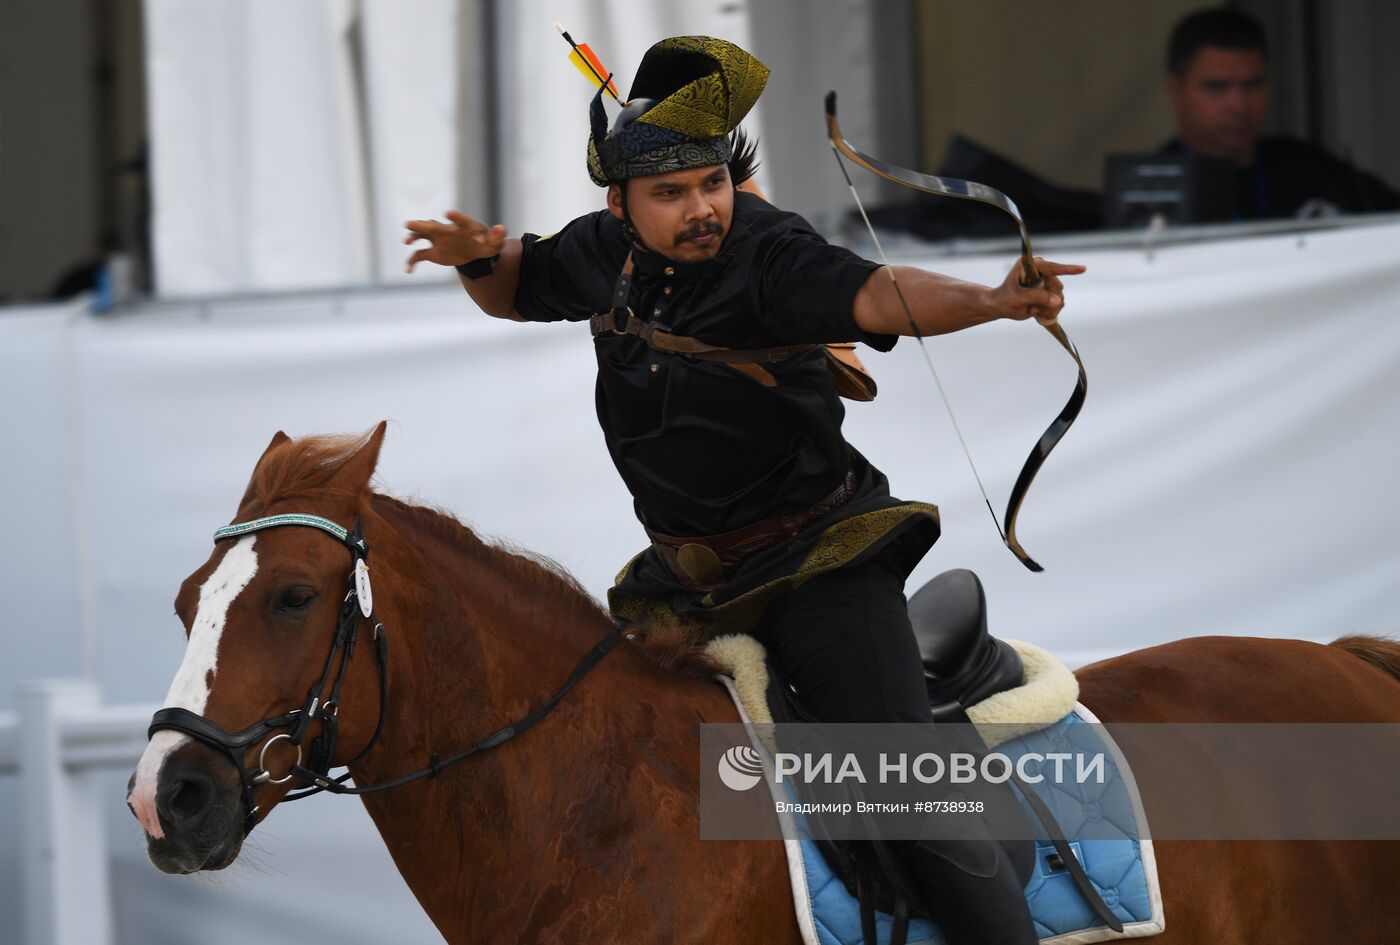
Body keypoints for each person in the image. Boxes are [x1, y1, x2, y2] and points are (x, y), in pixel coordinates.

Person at [405, 35, 1084, 944]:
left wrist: (994, 301)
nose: (702, 209)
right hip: (688, 588)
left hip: (821, 567)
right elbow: (517, 285)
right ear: (621, 203)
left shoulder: (770, 253)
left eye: (713, 184)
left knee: (907, 791)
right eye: (672, 193)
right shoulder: (602, 251)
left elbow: (884, 295)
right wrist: (476, 257)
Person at [1162, 7, 1399, 220]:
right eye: (1217, 87)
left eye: (1253, 85)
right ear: (1175, 89)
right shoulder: (1156, 186)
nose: (1239, 105)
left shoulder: (1308, 166)